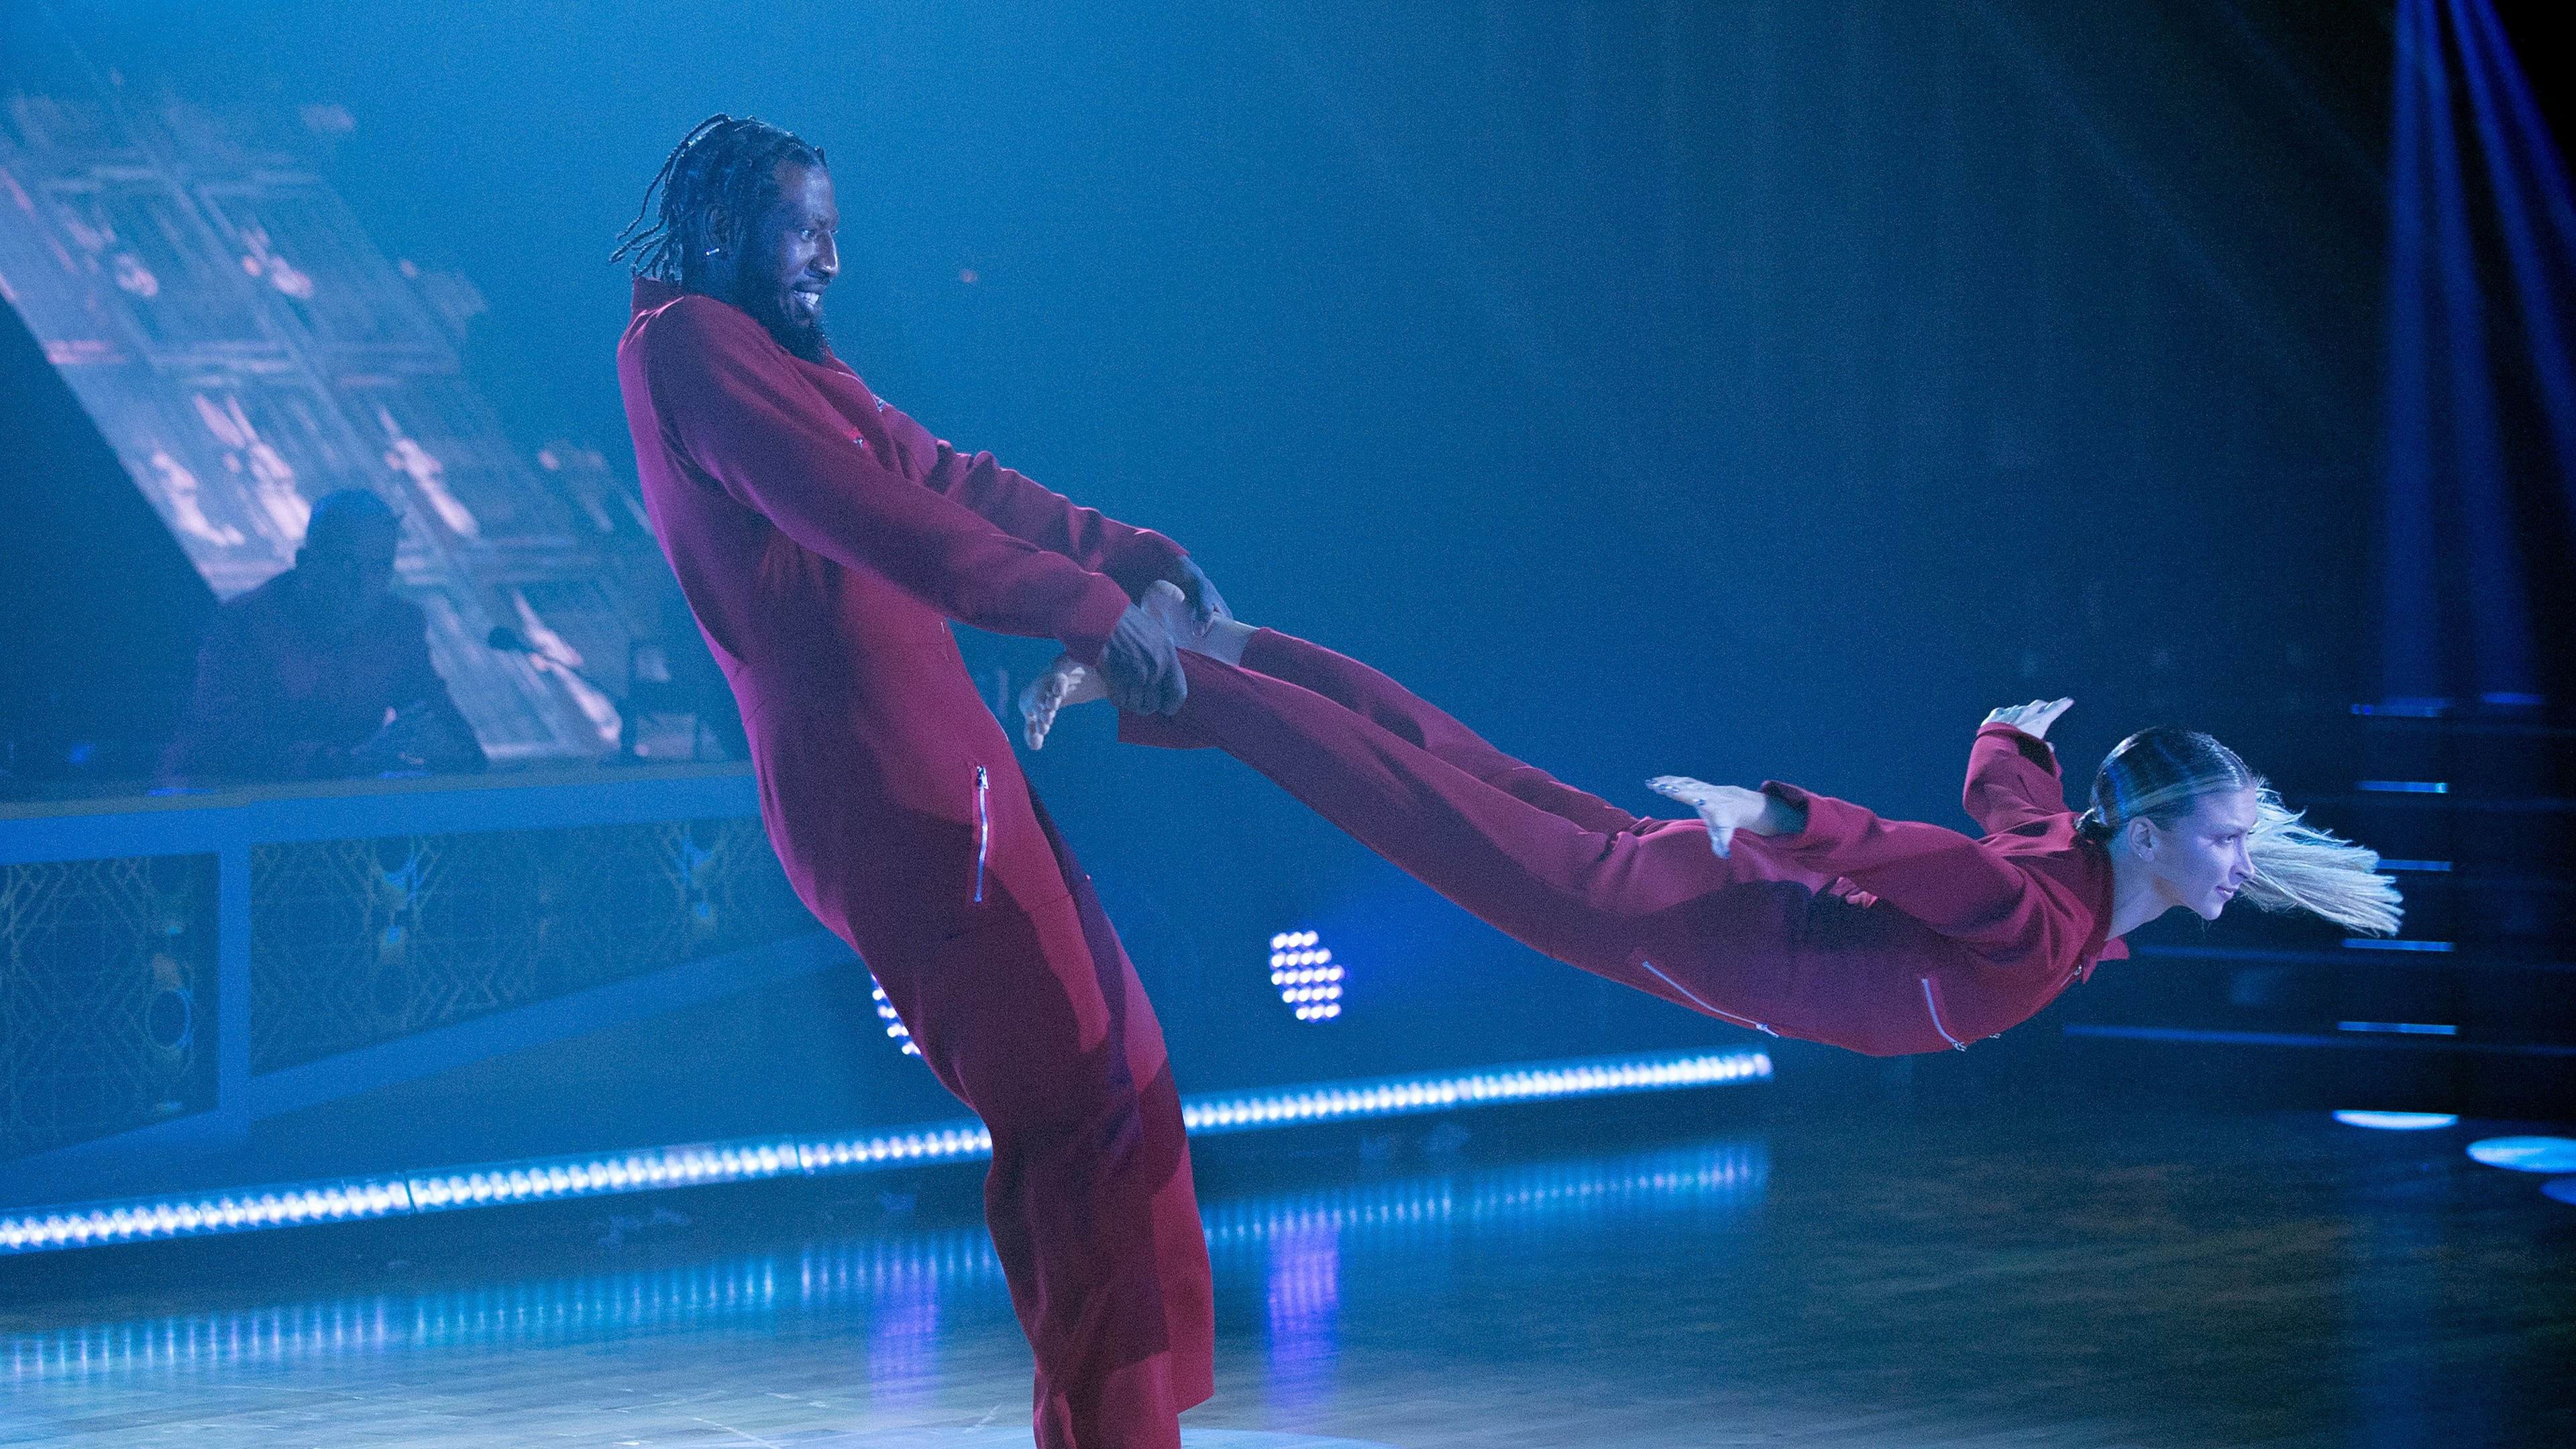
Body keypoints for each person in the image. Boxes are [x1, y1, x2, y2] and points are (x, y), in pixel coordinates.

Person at [610, 116, 1219, 1449]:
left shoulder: (776, 361)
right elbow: (879, 517)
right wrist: (1083, 608)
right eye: (799, 224)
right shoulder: (690, 352)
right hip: (885, 787)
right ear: (722, 231)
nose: (831, 250)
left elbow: (948, 479)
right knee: (1079, 1113)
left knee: (1116, 1088)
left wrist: (1130, 559)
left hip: (950, 766)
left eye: (833, 219)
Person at [1022, 586, 2402, 1057]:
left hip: (1701, 891)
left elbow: (2009, 805)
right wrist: (1783, 813)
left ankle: (1223, 639)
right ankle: (1169, 667)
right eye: (2225, 838)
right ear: (2155, 834)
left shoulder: (2079, 861)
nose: (2243, 861)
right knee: (1408, 794)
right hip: (1674, 912)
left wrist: (2005, 734)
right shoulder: (2048, 921)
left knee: (1443, 759)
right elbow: (1923, 856)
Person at [158, 488, 486, 787]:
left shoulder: (398, 625)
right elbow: (229, 741)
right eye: (347, 563)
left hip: (333, 810)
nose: (363, 583)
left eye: (379, 568)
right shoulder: (244, 623)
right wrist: (346, 763)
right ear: (304, 562)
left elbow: (458, 741)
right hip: (216, 810)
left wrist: (445, 747)